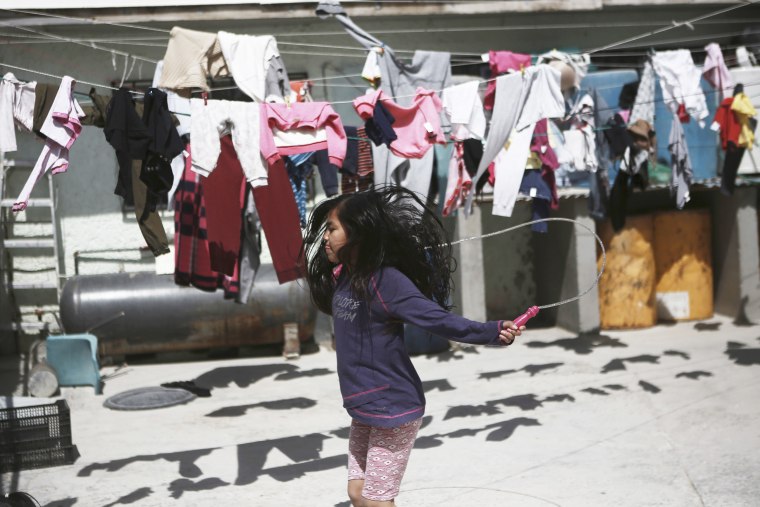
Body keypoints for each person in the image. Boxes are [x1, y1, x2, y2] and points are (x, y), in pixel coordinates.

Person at [303, 186, 525, 507]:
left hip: (393, 407)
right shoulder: (345, 277)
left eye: (333, 229)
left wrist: (490, 332)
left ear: (358, 234)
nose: (325, 237)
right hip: (365, 408)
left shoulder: (386, 282)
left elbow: (437, 320)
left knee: (378, 500)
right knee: (357, 493)